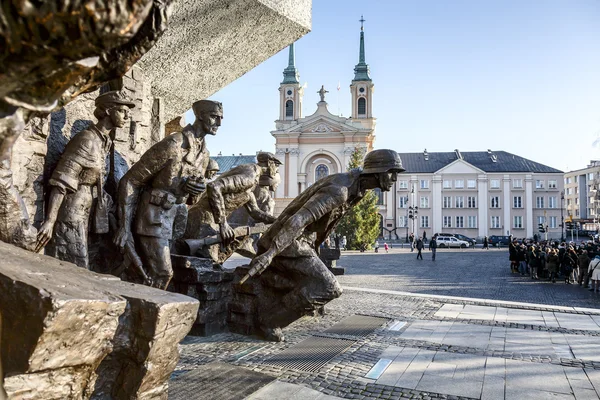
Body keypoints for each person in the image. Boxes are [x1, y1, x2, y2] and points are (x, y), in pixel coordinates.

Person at [240, 149, 404, 341]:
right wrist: (270, 253)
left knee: (314, 283)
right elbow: (298, 220)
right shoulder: (340, 190)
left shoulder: (355, 186)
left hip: (301, 243)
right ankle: (268, 320)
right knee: (329, 287)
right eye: (391, 172)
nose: (394, 178)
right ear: (378, 171)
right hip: (290, 243)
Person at [114, 100, 221, 289]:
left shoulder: (204, 155)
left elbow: (191, 199)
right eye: (214, 117)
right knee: (163, 273)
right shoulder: (174, 144)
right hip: (152, 217)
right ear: (200, 116)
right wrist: (124, 227)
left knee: (156, 272)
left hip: (174, 220)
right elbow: (130, 181)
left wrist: (194, 192)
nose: (219, 123)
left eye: (221, 118)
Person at [35, 91, 135, 269]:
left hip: (87, 208)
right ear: (107, 110)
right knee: (74, 263)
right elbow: (61, 181)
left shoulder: (105, 142)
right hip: (71, 210)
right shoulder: (86, 140)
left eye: (128, 112)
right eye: (122, 111)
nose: (127, 116)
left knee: (82, 264)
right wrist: (50, 221)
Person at [184, 152, 281, 263]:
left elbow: (255, 212)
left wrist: (279, 221)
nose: (276, 172)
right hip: (202, 218)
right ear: (270, 164)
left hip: (209, 220)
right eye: (276, 168)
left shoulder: (251, 182)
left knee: (213, 262)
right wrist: (223, 224)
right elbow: (214, 187)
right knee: (206, 263)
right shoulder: (250, 175)